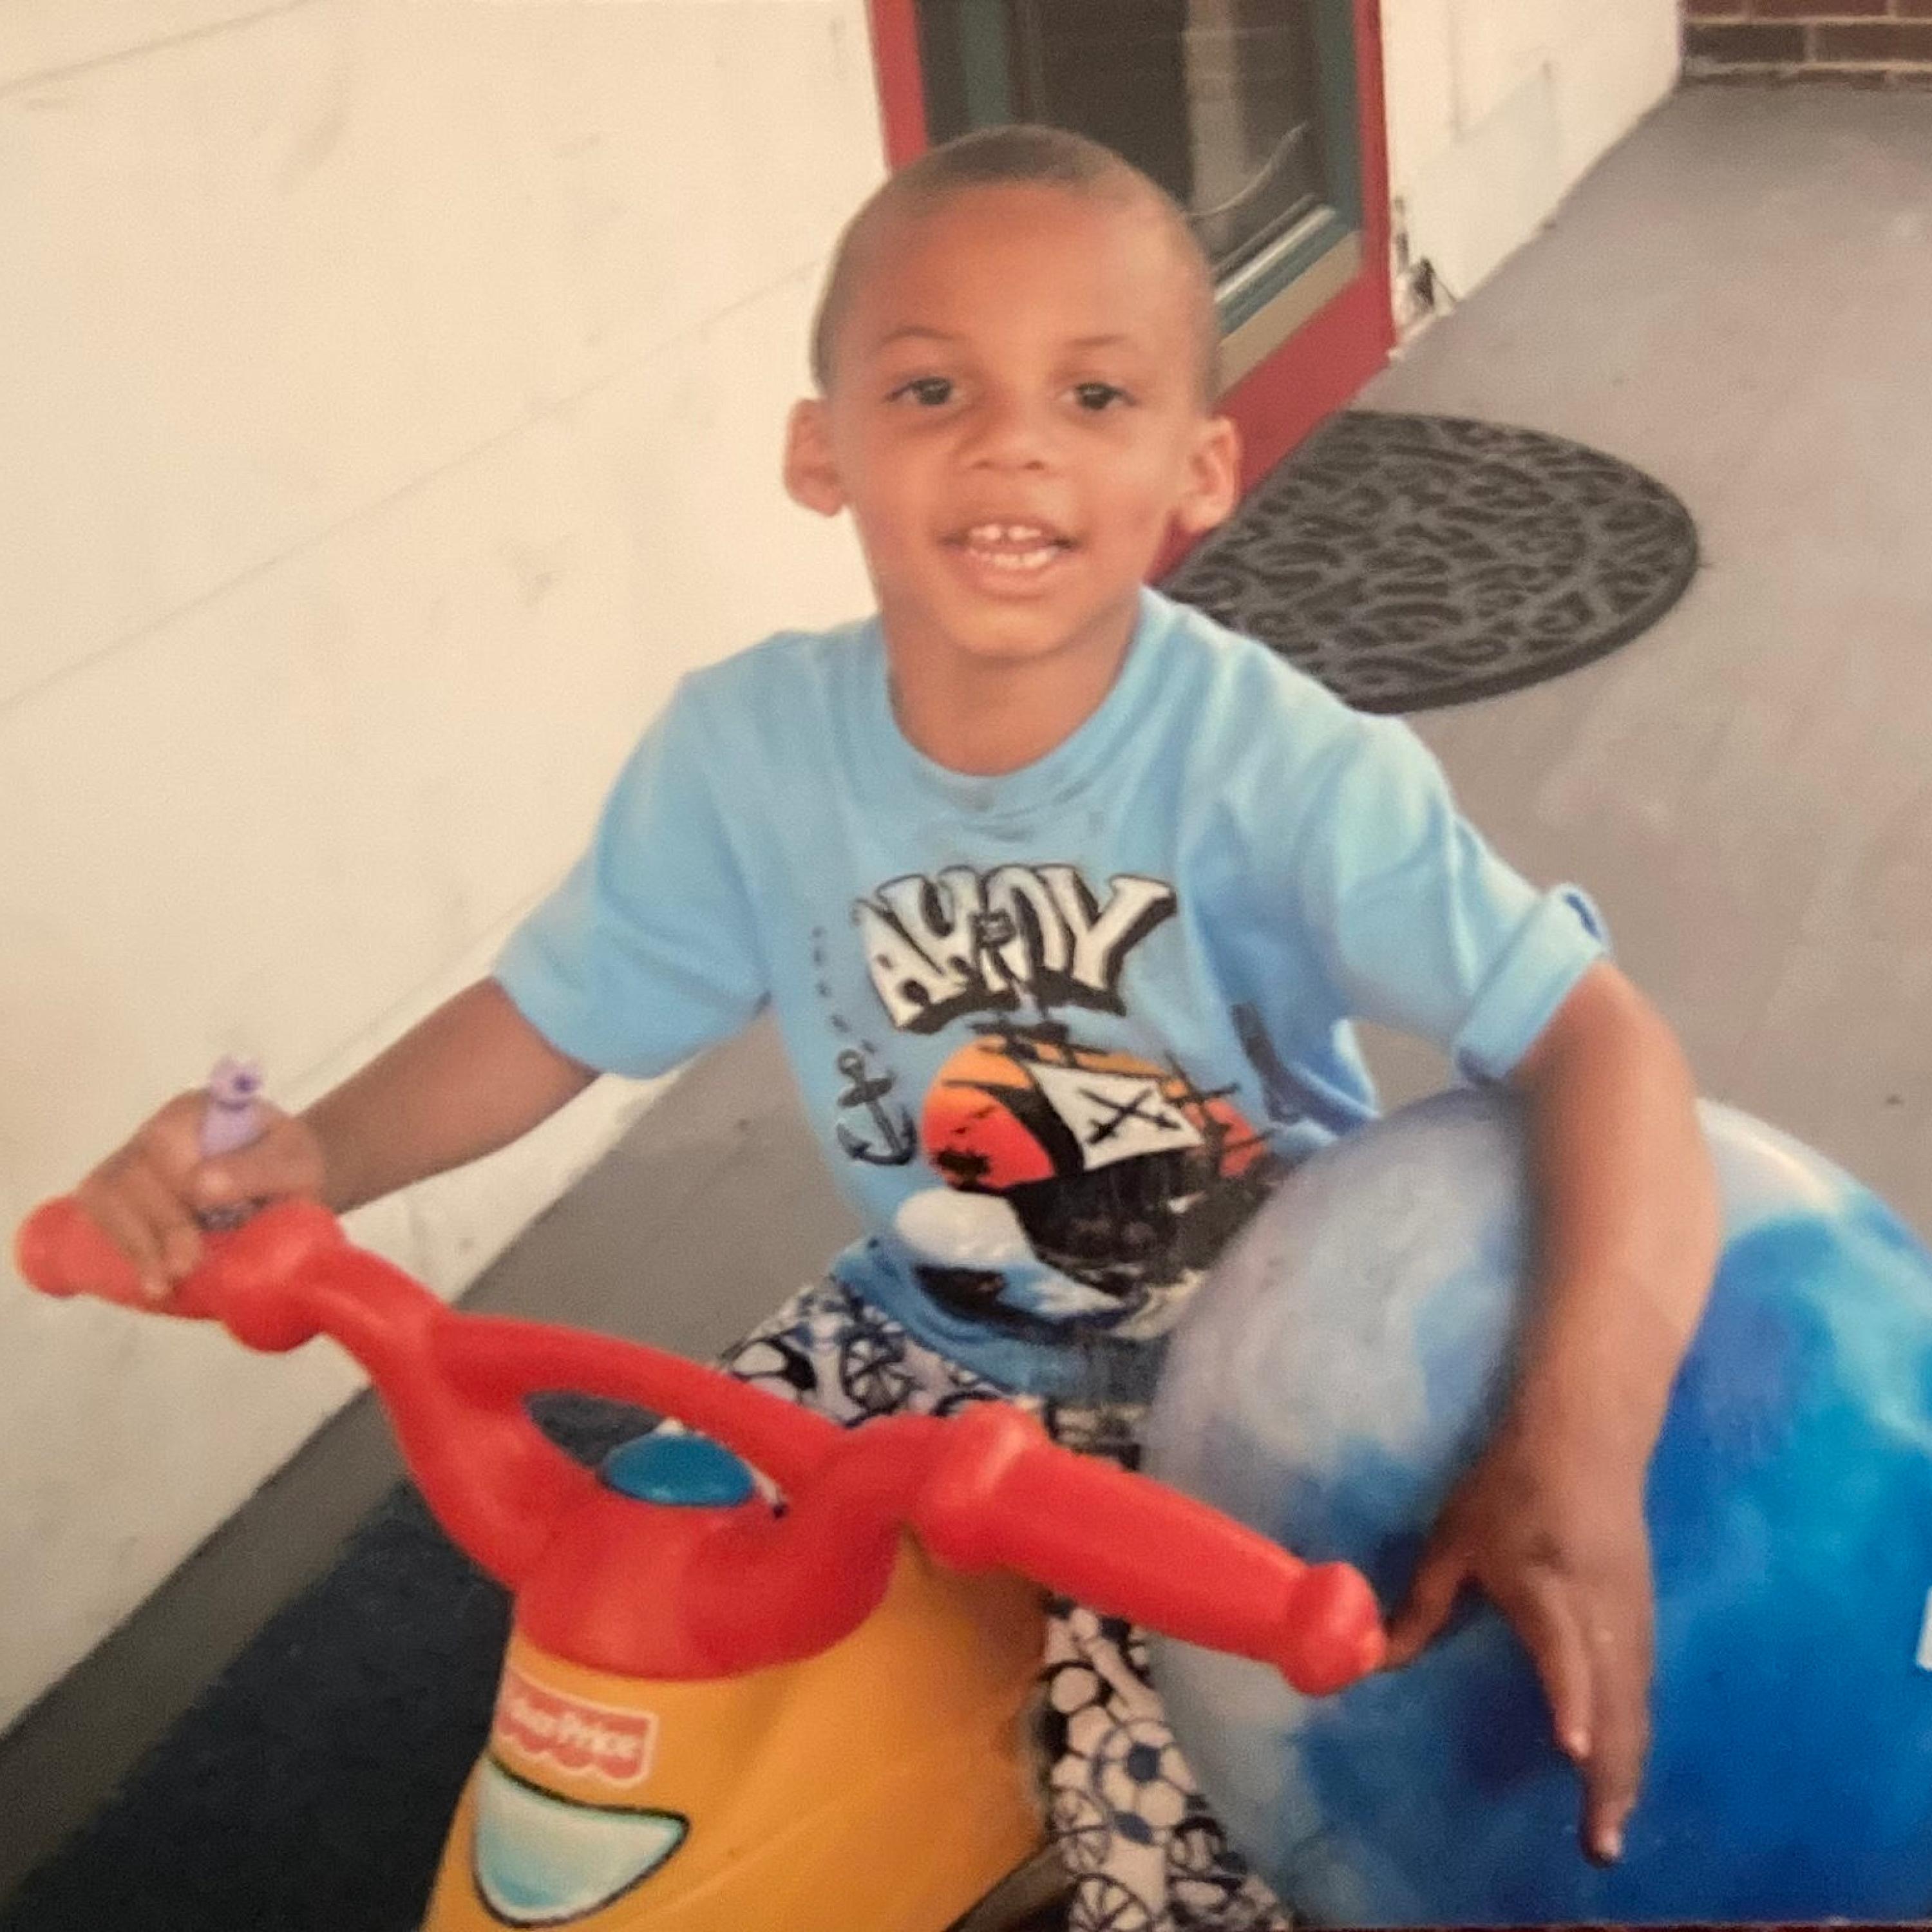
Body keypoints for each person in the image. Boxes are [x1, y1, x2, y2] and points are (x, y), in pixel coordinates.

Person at [69, 126, 1719, 1931]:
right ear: (820, 451)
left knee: (1180, 1834)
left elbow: (1600, 1043)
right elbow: (550, 1016)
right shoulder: (746, 753)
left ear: (1201, 467)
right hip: (921, 1326)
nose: (1012, 442)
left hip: (1240, 1374)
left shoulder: (1287, 768)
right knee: (642, 1609)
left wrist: (1577, 1442)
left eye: (1094, 395)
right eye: (933, 387)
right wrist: (307, 1151)